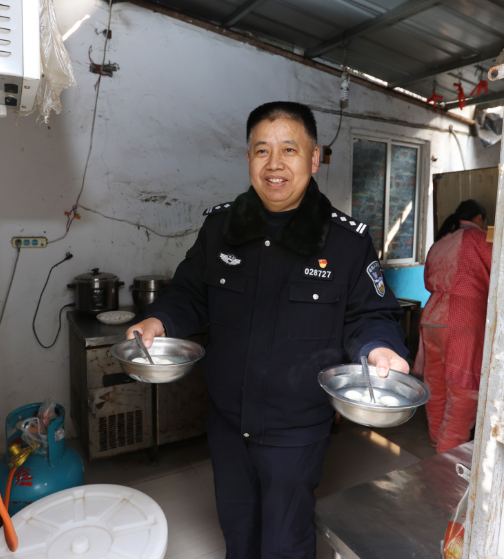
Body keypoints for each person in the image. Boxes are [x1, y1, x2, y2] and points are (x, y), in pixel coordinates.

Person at [127, 101, 409, 558]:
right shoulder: (220, 228)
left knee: (285, 541)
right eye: (262, 150)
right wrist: (159, 319)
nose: (274, 164)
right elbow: (189, 293)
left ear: (313, 159)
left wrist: (379, 348)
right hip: (227, 420)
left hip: (296, 429)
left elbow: (369, 315)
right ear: (249, 159)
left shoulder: (346, 242)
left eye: (289, 150)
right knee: (237, 531)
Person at [415, 199, 493, 454]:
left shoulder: (440, 242)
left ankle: (435, 438)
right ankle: (449, 453)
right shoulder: (480, 238)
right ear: (479, 218)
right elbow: (502, 272)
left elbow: (428, 281)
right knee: (463, 391)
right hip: (462, 319)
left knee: (435, 384)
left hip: (432, 316)